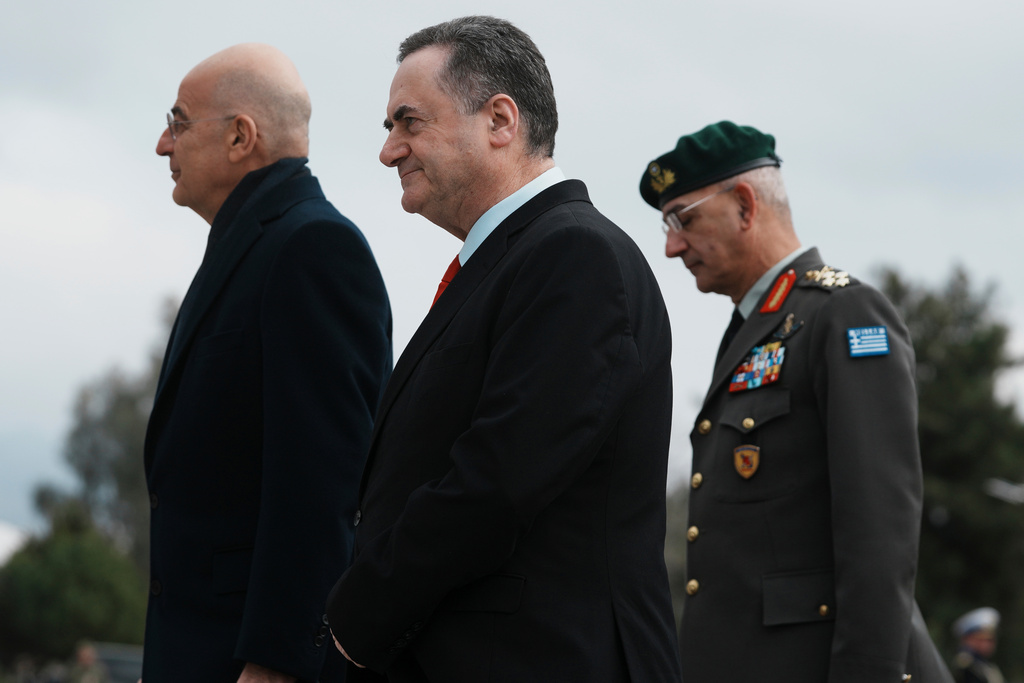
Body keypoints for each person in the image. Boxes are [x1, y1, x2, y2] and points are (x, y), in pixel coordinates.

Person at [326, 16, 681, 683]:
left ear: (499, 120)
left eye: (409, 122)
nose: (390, 150)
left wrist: (354, 618)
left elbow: (495, 480)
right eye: (388, 128)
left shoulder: (575, 255)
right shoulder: (516, 259)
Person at [639, 121, 952, 682]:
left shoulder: (844, 315)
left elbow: (878, 532)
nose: (671, 246)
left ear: (743, 204)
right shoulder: (758, 327)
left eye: (683, 219)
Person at [144, 43, 392, 683]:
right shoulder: (252, 245)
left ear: (239, 137)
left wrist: (279, 666)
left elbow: (322, 488)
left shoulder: (312, 246)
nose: (162, 146)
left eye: (177, 122)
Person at [952, 608, 1004, 683]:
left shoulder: (982, 664)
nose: (988, 644)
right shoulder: (968, 665)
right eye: (981, 639)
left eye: (990, 640)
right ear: (968, 640)